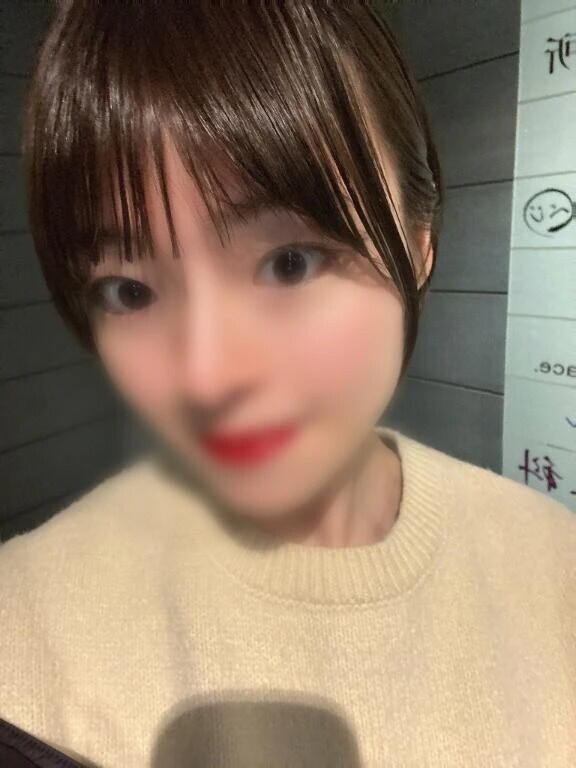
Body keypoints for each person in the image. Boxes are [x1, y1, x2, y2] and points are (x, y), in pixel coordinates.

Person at [0, 2, 574, 766]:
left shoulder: (554, 572)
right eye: (129, 291)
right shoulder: (26, 631)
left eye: (290, 262)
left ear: (419, 244)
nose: (207, 379)